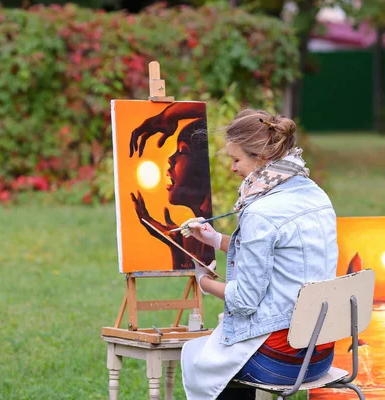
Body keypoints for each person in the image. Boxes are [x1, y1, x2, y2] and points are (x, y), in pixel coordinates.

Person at [178, 109, 338, 399]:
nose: (232, 168)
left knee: (199, 356)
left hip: (283, 360)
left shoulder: (261, 212)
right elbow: (275, 256)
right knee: (216, 354)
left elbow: (244, 301)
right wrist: (215, 239)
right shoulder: (315, 194)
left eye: (236, 159)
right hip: (321, 351)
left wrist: (202, 279)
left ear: (262, 159)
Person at [129, 102, 214, 270]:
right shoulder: (198, 235)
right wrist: (177, 247)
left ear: (202, 165)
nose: (170, 159)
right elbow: (196, 273)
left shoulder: (211, 235)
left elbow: (204, 114)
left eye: (182, 151)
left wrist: (168, 116)